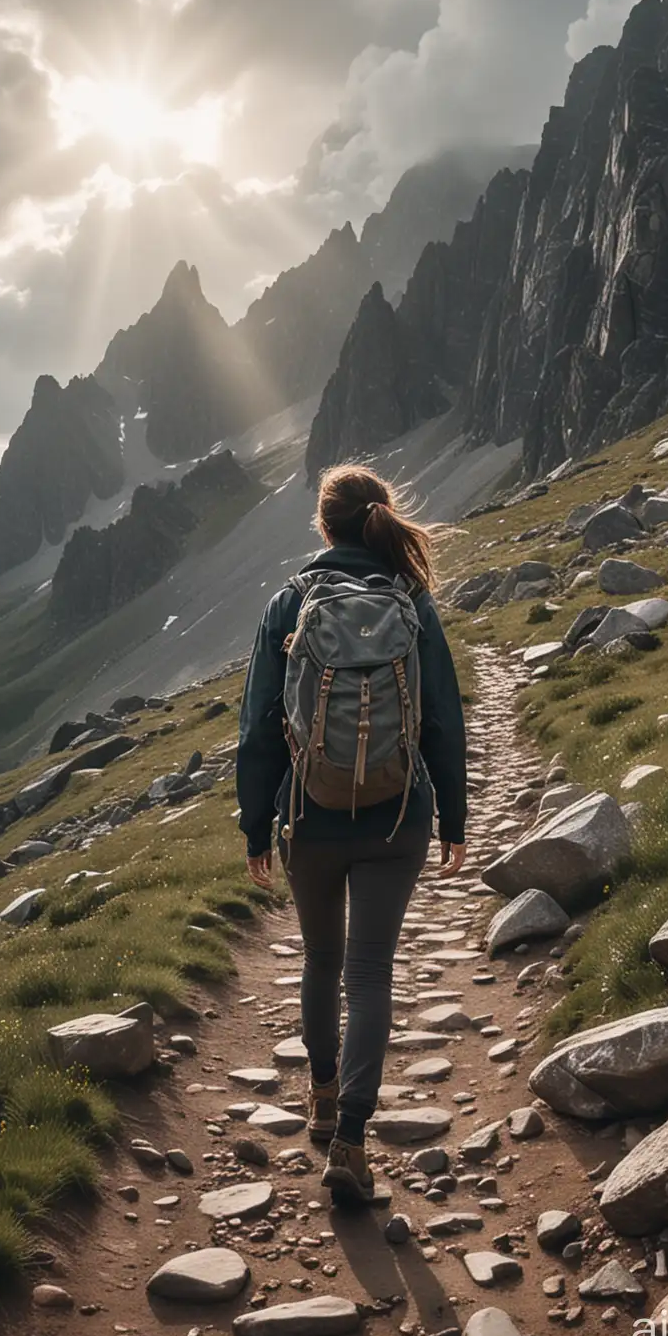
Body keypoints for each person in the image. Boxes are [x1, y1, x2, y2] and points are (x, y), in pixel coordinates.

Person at [237, 464, 467, 1203]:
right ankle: (354, 1141)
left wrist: (255, 827)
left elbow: (258, 731)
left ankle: (325, 1096)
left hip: (310, 818)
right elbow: (441, 719)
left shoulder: (288, 603)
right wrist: (454, 816)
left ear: (323, 525)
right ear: (382, 519)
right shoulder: (413, 601)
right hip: (397, 817)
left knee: (321, 962)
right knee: (369, 974)